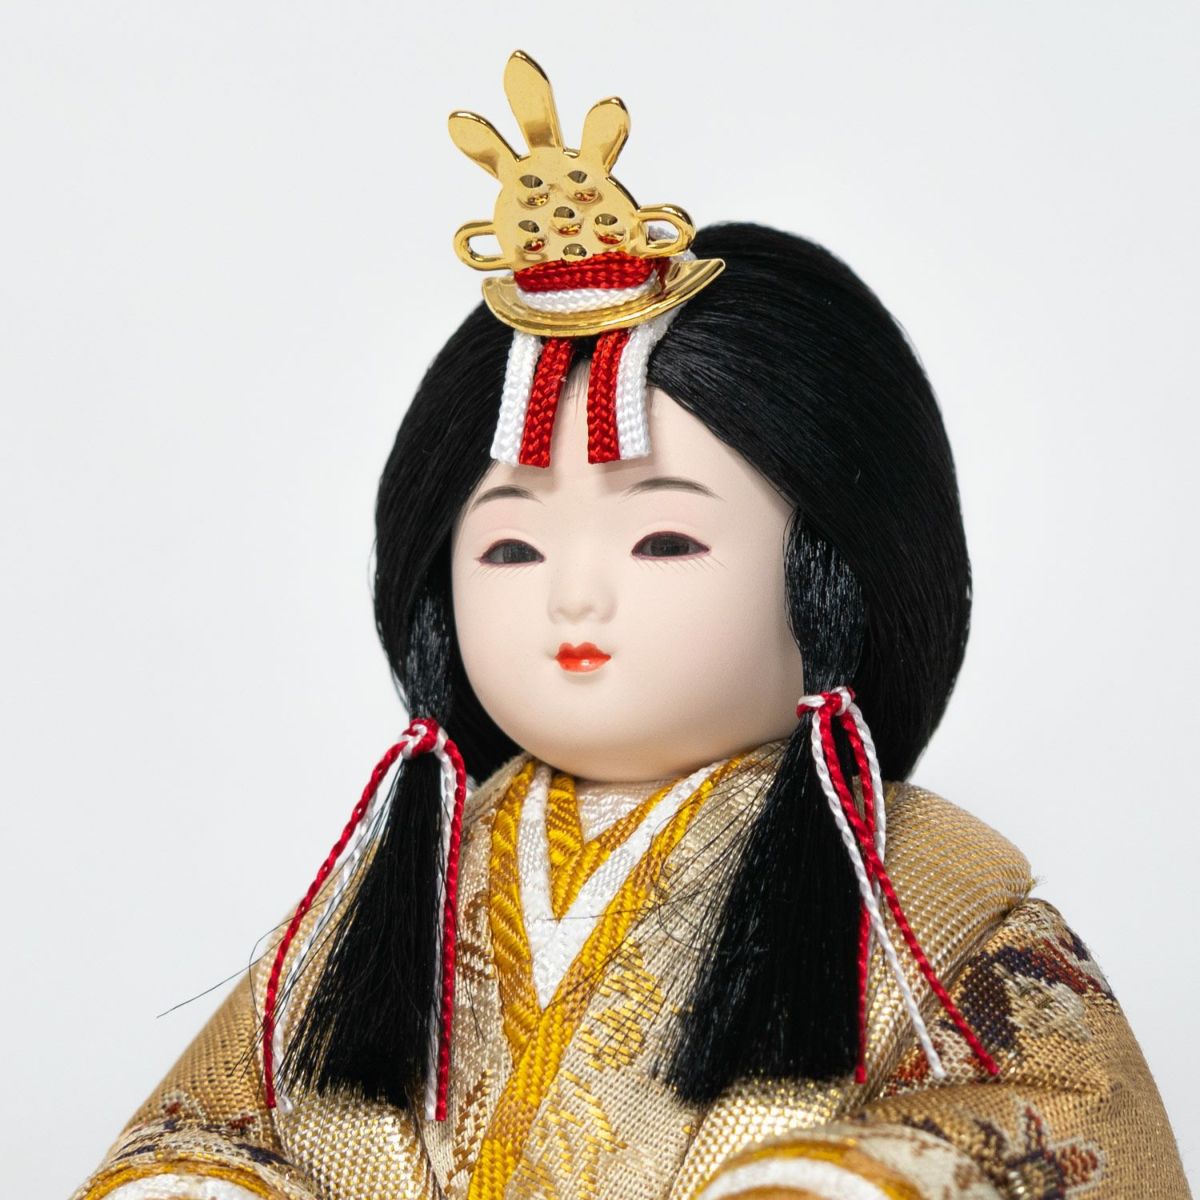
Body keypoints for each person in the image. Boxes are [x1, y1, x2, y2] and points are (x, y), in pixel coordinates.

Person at [74, 52, 1189, 1200]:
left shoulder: (926, 896)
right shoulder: (388, 900)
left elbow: (1067, 1130)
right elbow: (211, 1127)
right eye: (512, 547)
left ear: (826, 577)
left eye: (662, 541)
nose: (574, 597)